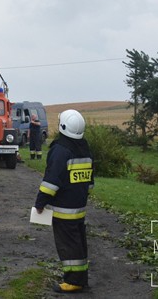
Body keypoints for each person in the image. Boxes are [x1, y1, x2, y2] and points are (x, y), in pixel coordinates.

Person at [34, 109, 94, 294]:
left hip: (64, 210)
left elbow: (51, 182)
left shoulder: (60, 150)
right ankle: (81, 278)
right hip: (79, 207)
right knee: (78, 243)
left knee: (68, 245)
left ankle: (73, 281)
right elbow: (89, 182)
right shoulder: (83, 147)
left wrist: (40, 203)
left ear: (63, 126)